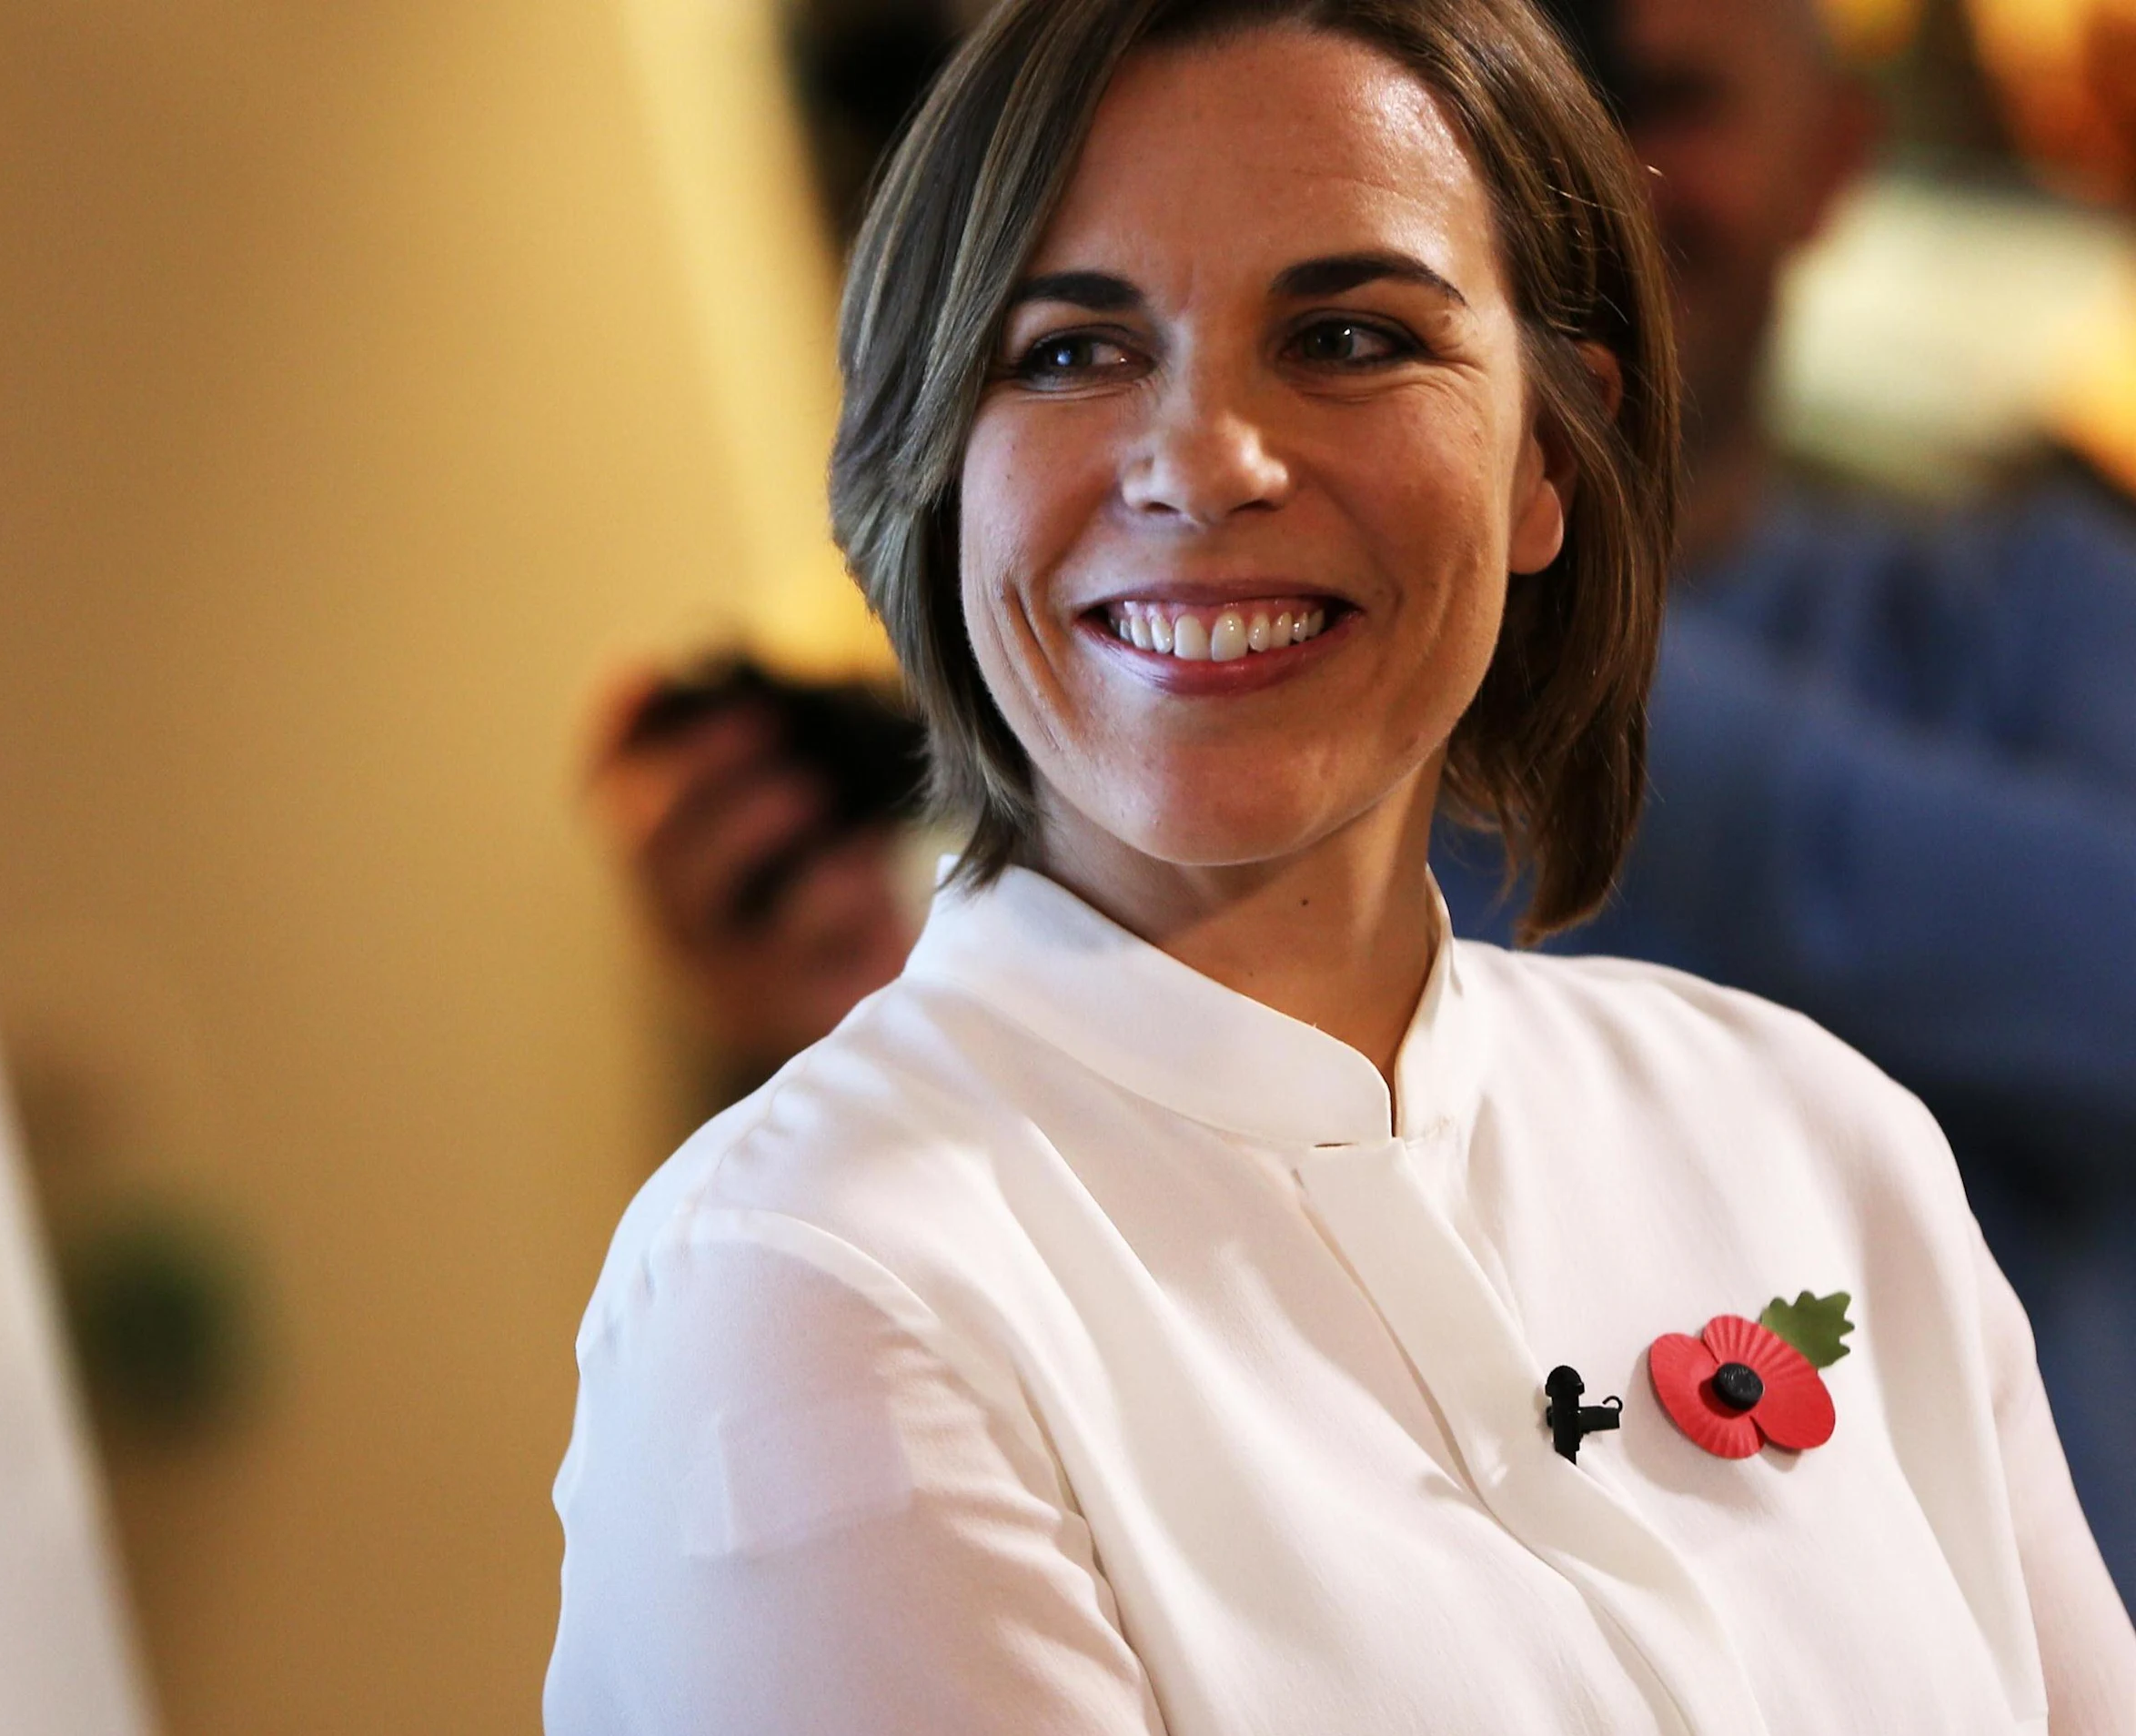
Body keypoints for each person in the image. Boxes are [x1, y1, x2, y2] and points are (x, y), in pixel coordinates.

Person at [548, 0, 2136, 1727]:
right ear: (938, 462)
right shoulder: (818, 1285)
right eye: (1070, 352)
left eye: (1351, 338)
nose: (1204, 460)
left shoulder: (1807, 1135)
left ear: (1549, 452)